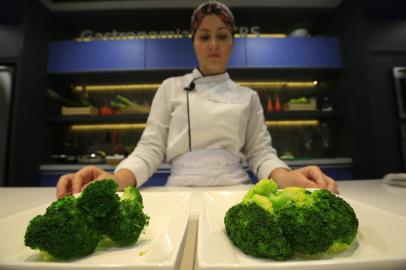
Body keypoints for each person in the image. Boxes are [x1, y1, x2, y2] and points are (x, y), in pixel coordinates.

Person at [56, 1, 338, 198]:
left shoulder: (248, 97)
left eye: (222, 36)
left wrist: (286, 178)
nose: (213, 44)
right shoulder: (171, 88)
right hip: (178, 189)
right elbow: (150, 150)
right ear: (193, 42)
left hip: (236, 189)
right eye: (204, 36)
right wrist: (116, 181)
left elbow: (259, 153)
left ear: (232, 42)